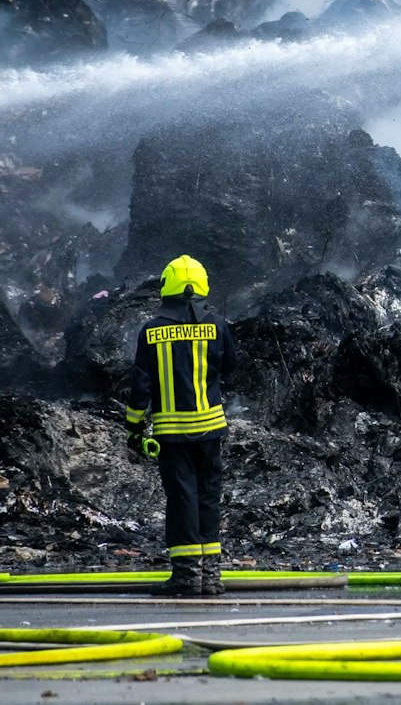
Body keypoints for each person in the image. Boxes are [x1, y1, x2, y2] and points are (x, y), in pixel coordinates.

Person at [125, 255, 232, 598]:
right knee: (208, 497)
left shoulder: (152, 331)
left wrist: (134, 427)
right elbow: (231, 366)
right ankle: (211, 577)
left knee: (182, 498)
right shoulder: (217, 325)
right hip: (211, 430)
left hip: (172, 433)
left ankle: (187, 577)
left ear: (166, 286)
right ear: (202, 285)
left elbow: (140, 385)